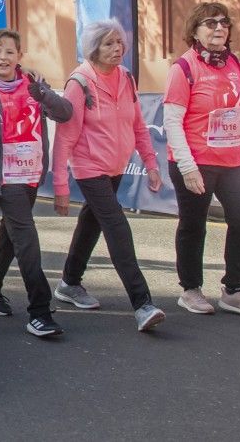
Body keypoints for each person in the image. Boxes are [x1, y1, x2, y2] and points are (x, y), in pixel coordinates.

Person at [52, 19, 166, 332]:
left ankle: (69, 283)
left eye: (119, 43)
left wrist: (151, 165)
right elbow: (64, 137)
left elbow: (138, 125)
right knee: (116, 226)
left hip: (115, 166)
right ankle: (142, 303)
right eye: (108, 44)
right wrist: (61, 185)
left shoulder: (126, 77)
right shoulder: (80, 83)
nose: (117, 49)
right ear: (93, 48)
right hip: (89, 167)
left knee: (91, 222)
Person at [0, 28, 73, 338]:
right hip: (5, 176)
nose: (3, 57)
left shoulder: (33, 83)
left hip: (33, 171)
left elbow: (65, 113)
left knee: (11, 232)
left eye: (9, 52)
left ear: (19, 56)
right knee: (26, 237)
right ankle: (39, 311)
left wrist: (44, 94)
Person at [164, 3, 240, 318]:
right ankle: (191, 289)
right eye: (210, 23)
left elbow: (239, 111)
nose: (219, 28)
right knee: (194, 225)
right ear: (195, 30)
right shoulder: (183, 68)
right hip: (195, 161)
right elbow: (172, 121)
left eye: (224, 23)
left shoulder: (233, 62)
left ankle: (234, 291)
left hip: (232, 160)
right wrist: (188, 166)